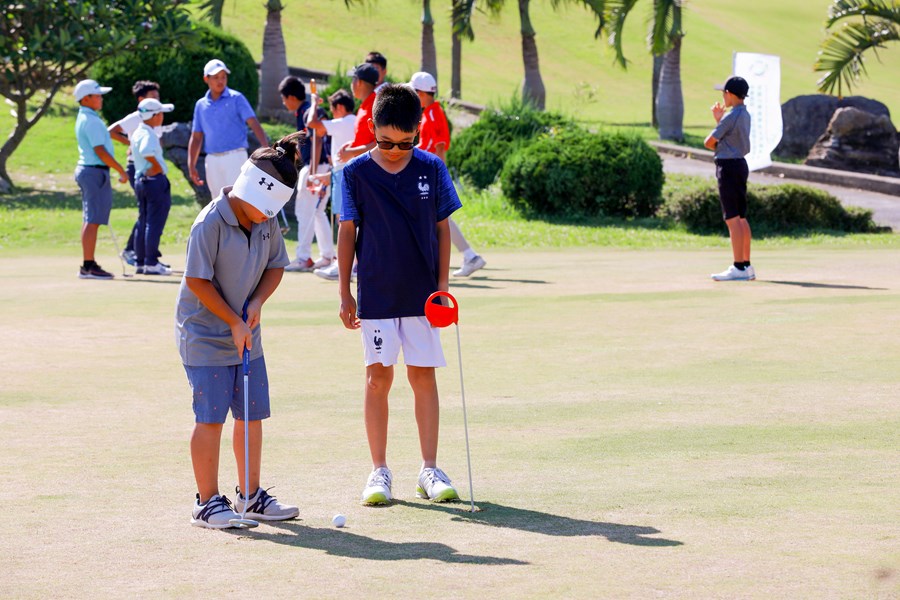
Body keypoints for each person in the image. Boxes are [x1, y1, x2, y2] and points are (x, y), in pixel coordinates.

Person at [338, 84, 463, 505]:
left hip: (422, 294)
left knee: (423, 376)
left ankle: (429, 469)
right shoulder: (354, 173)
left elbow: (443, 228)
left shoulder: (431, 168)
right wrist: (344, 291)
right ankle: (379, 472)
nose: (394, 150)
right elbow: (347, 230)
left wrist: (443, 288)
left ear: (418, 134)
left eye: (405, 143)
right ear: (371, 127)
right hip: (375, 291)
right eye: (385, 141)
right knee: (378, 379)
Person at [176, 131, 305, 528]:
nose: (269, 218)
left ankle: (249, 496)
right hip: (206, 335)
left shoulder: (263, 219)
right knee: (211, 417)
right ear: (248, 190)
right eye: (265, 209)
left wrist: (256, 304)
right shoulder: (210, 222)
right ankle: (206, 502)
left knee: (251, 416)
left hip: (247, 334)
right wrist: (232, 319)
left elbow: (275, 266)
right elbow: (197, 280)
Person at [410, 71, 487, 278]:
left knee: (438, 219)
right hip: (428, 173)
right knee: (436, 218)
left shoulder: (433, 114)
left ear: (420, 93)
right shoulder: (430, 113)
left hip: (430, 174)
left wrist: (439, 176)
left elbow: (440, 146)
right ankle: (469, 256)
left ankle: (468, 256)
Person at [188, 59, 269, 201]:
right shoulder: (200, 105)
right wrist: (191, 165)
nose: (221, 81)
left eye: (223, 77)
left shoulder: (236, 98)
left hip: (235, 156)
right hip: (212, 159)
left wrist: (266, 149)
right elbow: (196, 137)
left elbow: (254, 123)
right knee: (217, 201)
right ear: (206, 79)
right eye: (216, 77)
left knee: (239, 199)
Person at [73, 79, 129, 280]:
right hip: (94, 171)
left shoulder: (87, 117)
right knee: (92, 219)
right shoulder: (91, 120)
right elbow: (100, 150)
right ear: (86, 98)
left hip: (91, 171)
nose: (101, 99)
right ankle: (88, 266)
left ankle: (88, 264)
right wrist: (121, 170)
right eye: (97, 95)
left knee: (92, 219)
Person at [278, 76, 334, 272]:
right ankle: (327, 255)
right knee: (317, 212)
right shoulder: (305, 112)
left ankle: (303, 257)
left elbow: (318, 141)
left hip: (316, 168)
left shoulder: (308, 112)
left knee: (305, 212)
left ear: (292, 97)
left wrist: (310, 174)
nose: (284, 102)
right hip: (321, 167)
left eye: (284, 98)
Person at [704, 76, 755, 282]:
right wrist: (719, 121)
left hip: (728, 167)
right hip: (740, 165)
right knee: (741, 218)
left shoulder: (731, 116)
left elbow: (709, 142)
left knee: (732, 219)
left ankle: (738, 267)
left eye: (724, 93)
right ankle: (746, 265)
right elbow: (729, 138)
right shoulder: (744, 114)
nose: (722, 96)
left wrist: (719, 121)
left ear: (730, 94)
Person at [305, 89, 357, 281]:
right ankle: (350, 264)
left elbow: (312, 123)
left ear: (340, 108)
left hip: (343, 171)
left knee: (343, 219)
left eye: (333, 109)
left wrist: (313, 103)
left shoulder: (343, 121)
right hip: (345, 171)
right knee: (349, 220)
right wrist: (327, 176)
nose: (332, 113)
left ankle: (343, 264)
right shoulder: (356, 121)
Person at [131, 98, 175, 275]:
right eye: (160, 113)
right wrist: (157, 169)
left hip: (142, 181)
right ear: (154, 116)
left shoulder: (139, 131)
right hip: (154, 181)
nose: (162, 116)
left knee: (143, 221)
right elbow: (147, 153)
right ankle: (151, 261)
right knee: (154, 223)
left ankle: (141, 261)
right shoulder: (148, 134)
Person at [337, 63, 379, 165]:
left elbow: (380, 144)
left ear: (359, 82)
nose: (351, 84)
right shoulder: (365, 105)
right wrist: (353, 145)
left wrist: (351, 152)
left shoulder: (376, 107)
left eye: (353, 79)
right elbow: (367, 139)